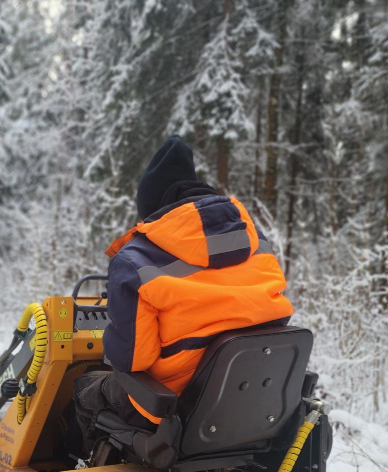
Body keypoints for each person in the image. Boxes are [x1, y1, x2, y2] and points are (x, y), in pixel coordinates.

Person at [74, 135, 293, 446]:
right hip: (258, 404)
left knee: (85, 389)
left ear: (150, 207)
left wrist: (112, 336)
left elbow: (133, 359)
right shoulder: (258, 243)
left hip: (175, 410)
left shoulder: (136, 261)